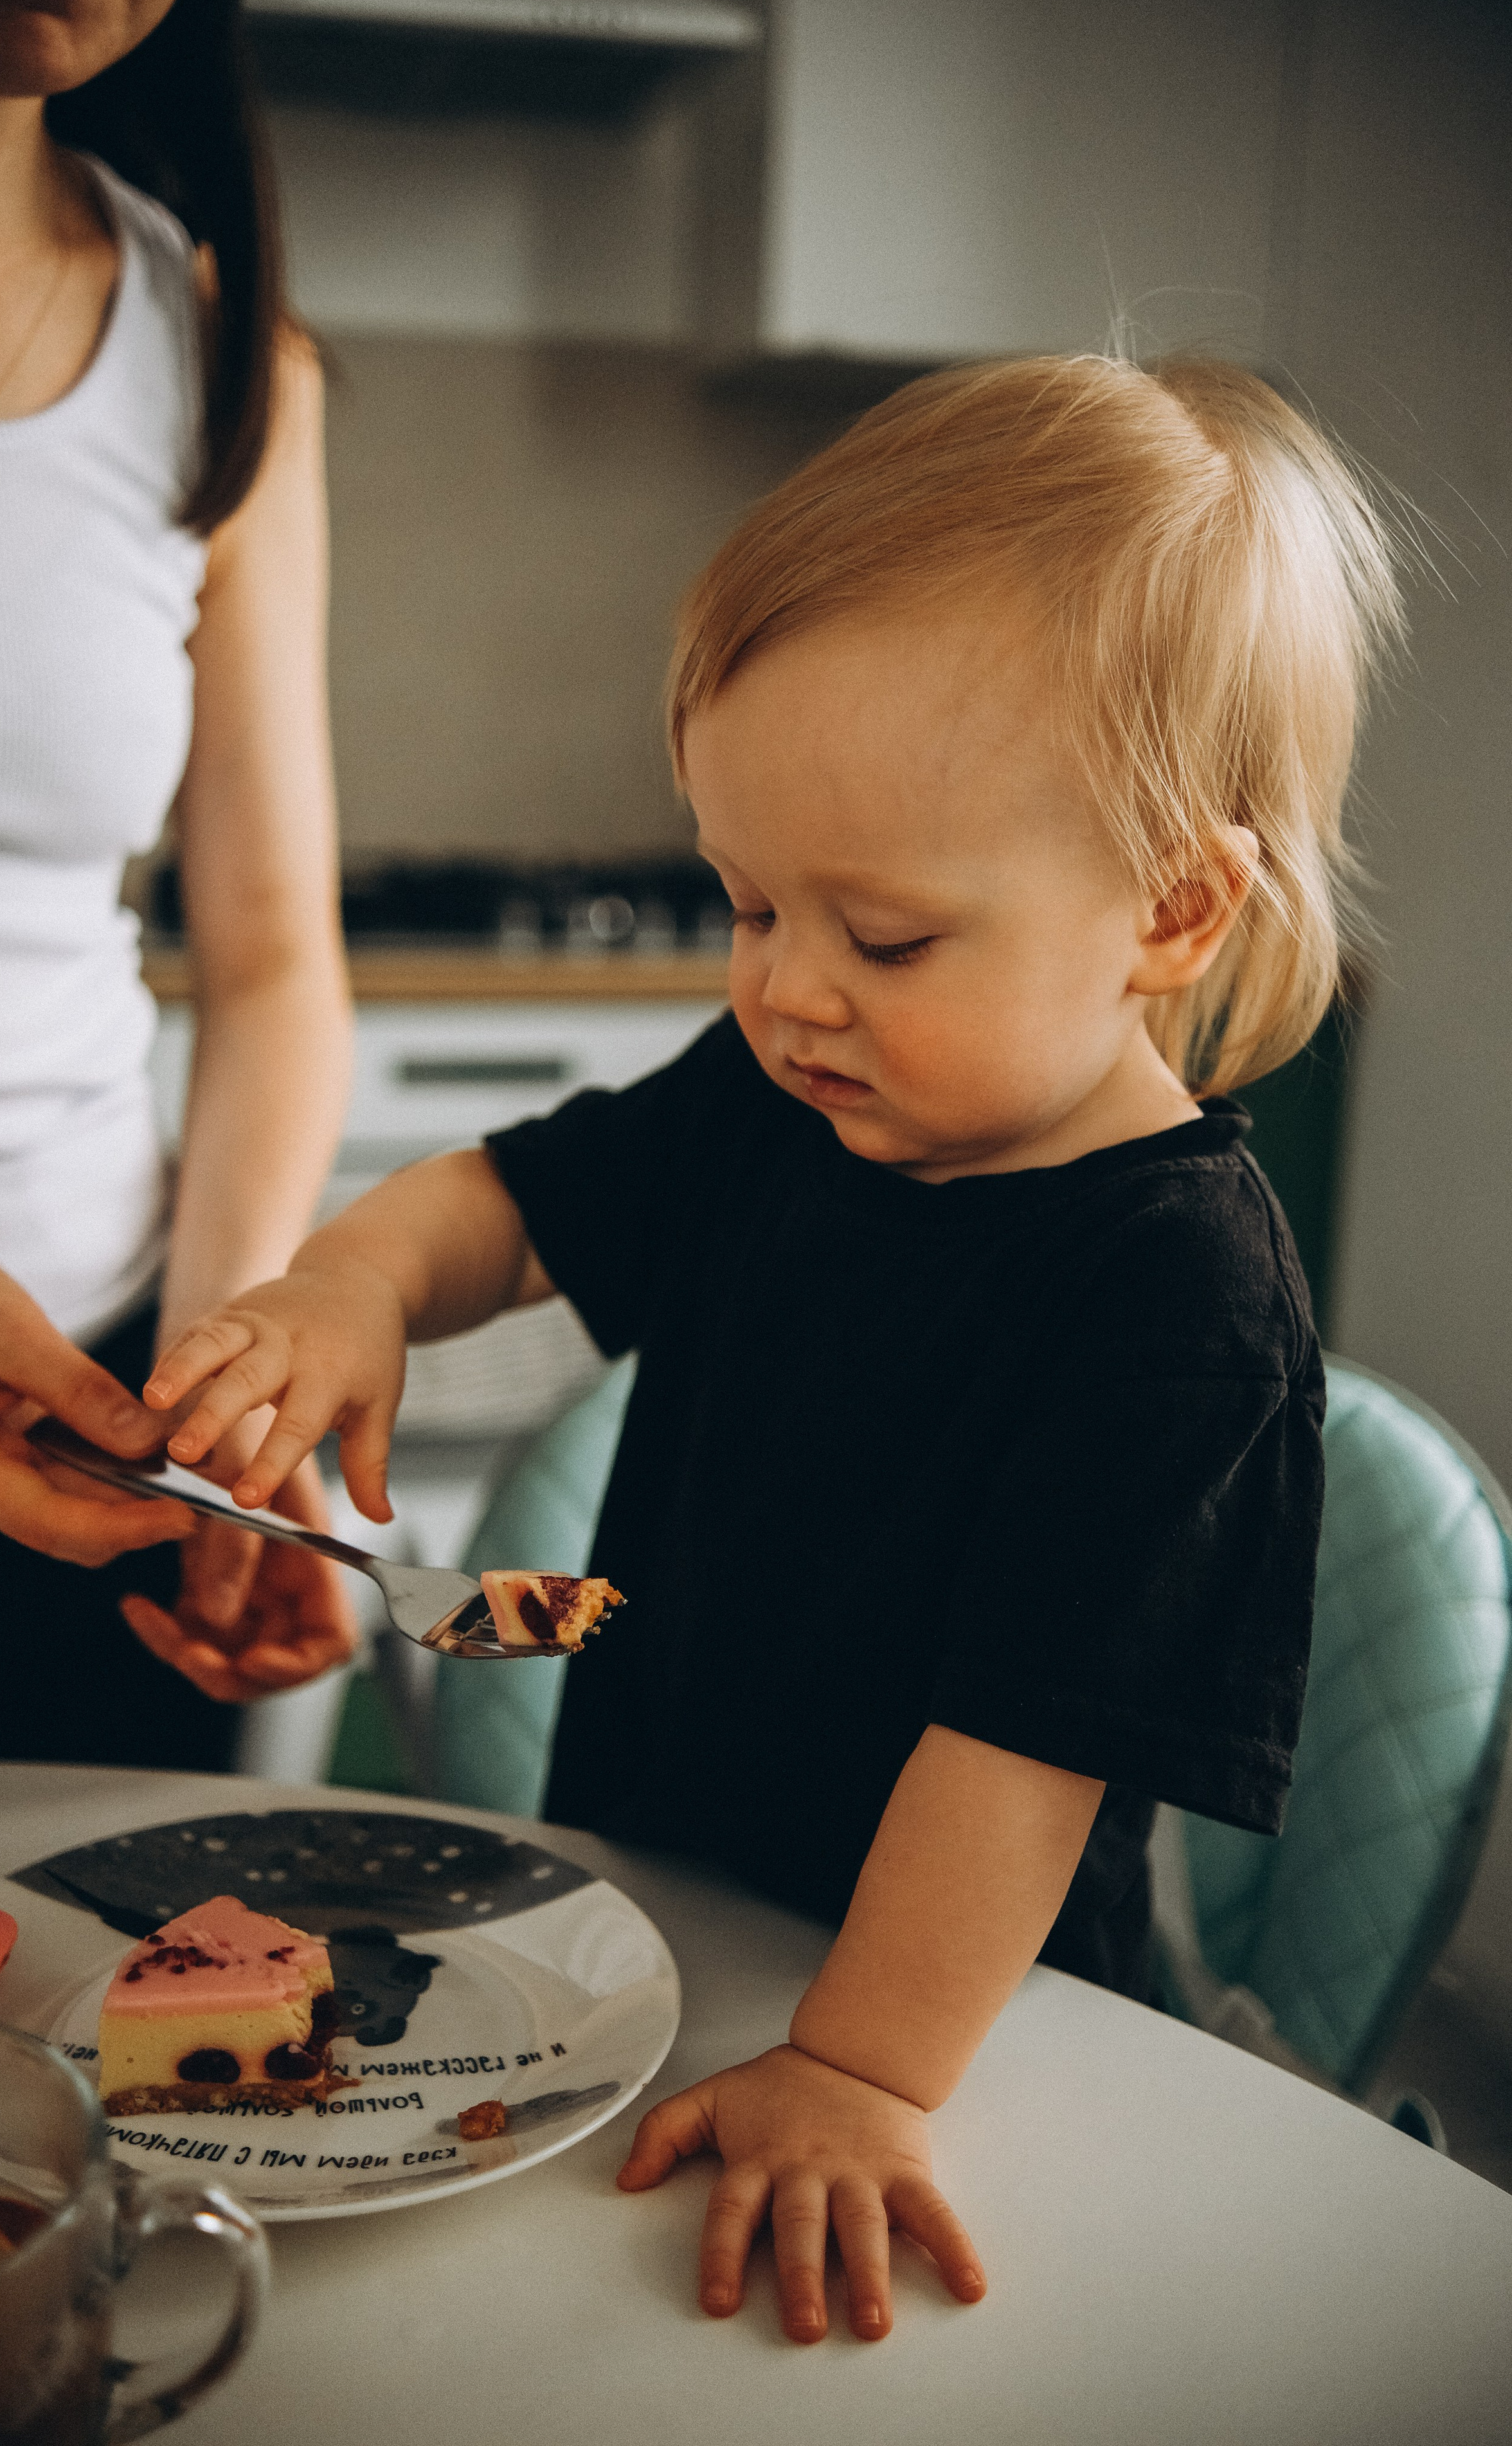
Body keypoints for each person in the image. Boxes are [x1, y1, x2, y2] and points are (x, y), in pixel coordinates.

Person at [135, 358, 1401, 2329]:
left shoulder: (1181, 1299)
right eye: (744, 907)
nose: (790, 995)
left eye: (881, 937)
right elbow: (512, 1201)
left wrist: (863, 2073)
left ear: (1169, 904)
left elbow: (1024, 1753)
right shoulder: (787, 1090)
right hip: (652, 1914)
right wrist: (352, 1286)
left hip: (946, 2017)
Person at [0, 0, 357, 1766]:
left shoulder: (226, 350)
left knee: (101, 2033)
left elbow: (272, 952)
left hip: (94, 1416)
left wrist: (224, 1379)